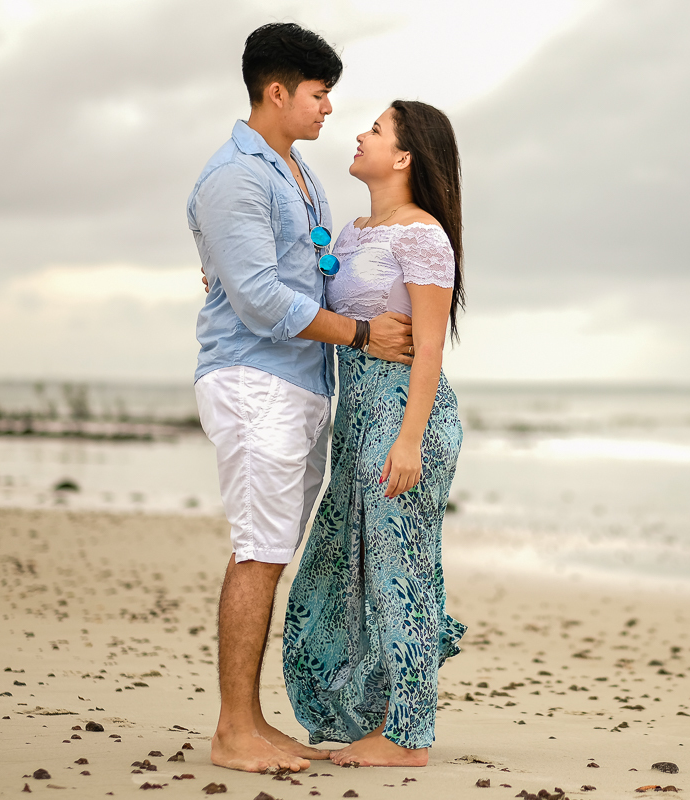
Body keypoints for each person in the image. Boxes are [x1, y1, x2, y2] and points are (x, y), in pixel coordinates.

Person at [187, 23, 416, 774]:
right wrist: (359, 335)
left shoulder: (299, 174)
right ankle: (232, 731)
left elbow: (306, 270)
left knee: (273, 546)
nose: (328, 111)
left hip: (299, 382)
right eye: (318, 96)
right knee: (258, 548)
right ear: (276, 92)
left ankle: (249, 720)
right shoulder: (237, 177)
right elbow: (256, 299)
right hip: (256, 380)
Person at [282, 100, 467, 767]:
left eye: (377, 129)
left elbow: (431, 349)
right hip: (354, 423)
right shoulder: (355, 231)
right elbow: (302, 294)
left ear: (406, 156)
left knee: (399, 574)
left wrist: (410, 439)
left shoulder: (422, 236)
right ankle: (372, 715)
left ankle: (408, 738)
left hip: (405, 418)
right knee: (342, 568)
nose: (359, 134)